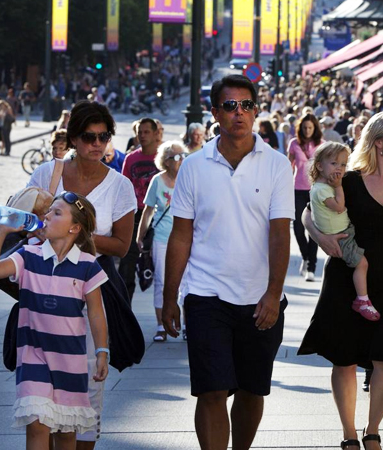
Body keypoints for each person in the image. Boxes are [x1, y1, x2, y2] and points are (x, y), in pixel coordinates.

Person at [161, 75, 293, 450]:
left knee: (252, 391)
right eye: (231, 106)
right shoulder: (193, 166)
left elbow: (279, 234)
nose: (240, 113)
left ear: (256, 110)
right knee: (211, 390)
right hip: (206, 293)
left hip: (259, 297)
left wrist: (273, 292)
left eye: (247, 105)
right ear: (216, 113)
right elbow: (181, 235)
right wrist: (172, 296)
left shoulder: (277, 165)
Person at [298, 111, 383, 449]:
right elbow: (308, 211)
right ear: (379, 142)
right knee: (344, 359)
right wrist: (319, 237)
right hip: (345, 277)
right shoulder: (349, 180)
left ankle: (372, 431)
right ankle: (349, 434)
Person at [27, 100, 137, 448]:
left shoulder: (119, 186)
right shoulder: (48, 174)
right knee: (39, 391)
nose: (97, 144)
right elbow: (25, 225)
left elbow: (121, 245)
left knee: (87, 387)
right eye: (89, 136)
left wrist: (74, 233)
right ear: (73, 138)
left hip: (92, 291)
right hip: (44, 290)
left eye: (104, 136)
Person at [0, 192, 110, 450]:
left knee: (64, 433)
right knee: (37, 424)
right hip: (33, 356)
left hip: (70, 362)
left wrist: (102, 351)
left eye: (56, 212)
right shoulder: (28, 256)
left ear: (75, 227)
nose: (47, 215)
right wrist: (0, 232)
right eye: (49, 210)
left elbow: (96, 313)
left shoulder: (88, 265)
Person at [310, 142, 376, 320]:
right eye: (334, 164)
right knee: (362, 264)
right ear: (319, 166)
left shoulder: (322, 185)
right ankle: (362, 299)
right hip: (341, 237)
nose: (339, 168)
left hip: (344, 230)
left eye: (343, 164)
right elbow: (339, 207)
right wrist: (339, 186)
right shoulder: (324, 189)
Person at [136, 141, 185, 342]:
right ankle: (160, 326)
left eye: (183, 156)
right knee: (162, 282)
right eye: (176, 157)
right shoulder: (157, 180)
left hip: (185, 239)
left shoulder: (188, 179)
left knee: (187, 284)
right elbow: (148, 210)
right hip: (162, 239)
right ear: (166, 161)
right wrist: (140, 235)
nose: (181, 160)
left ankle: (186, 327)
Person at [119, 118, 160, 301]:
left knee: (162, 268)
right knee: (126, 268)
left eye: (146, 132)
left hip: (159, 217)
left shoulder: (164, 157)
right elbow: (124, 188)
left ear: (155, 133)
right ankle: (124, 311)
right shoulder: (131, 158)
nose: (142, 136)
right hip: (135, 216)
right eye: (139, 132)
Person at [288, 113, 324, 281]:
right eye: (304, 128)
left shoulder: (321, 145)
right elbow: (289, 166)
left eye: (310, 127)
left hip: (315, 190)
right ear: (300, 129)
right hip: (297, 188)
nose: (308, 130)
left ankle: (311, 267)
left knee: (314, 228)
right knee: (297, 226)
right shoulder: (294, 144)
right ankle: (305, 255)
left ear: (315, 128)